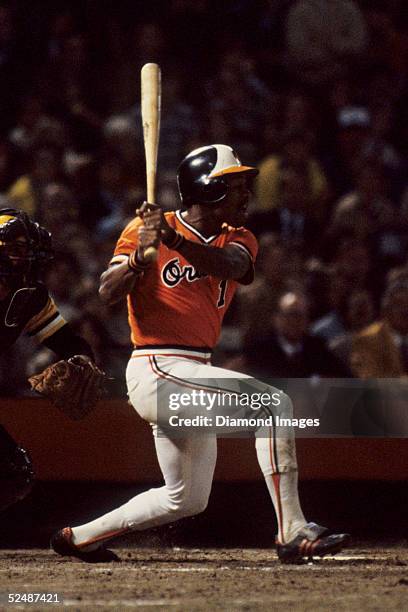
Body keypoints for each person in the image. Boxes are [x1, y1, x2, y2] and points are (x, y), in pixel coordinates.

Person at [51, 144, 350, 564]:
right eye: (234, 186)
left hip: (191, 370)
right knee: (271, 404)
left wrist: (172, 240)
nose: (246, 195)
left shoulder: (238, 236)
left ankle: (78, 537)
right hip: (156, 367)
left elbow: (230, 266)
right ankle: (292, 529)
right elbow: (107, 291)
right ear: (206, 190)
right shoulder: (144, 229)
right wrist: (140, 256)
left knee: (185, 498)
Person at [0, 208, 95, 511]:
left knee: (13, 474)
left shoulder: (30, 296)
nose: (24, 258)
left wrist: (82, 360)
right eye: (15, 250)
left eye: (27, 251)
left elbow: (65, 341)